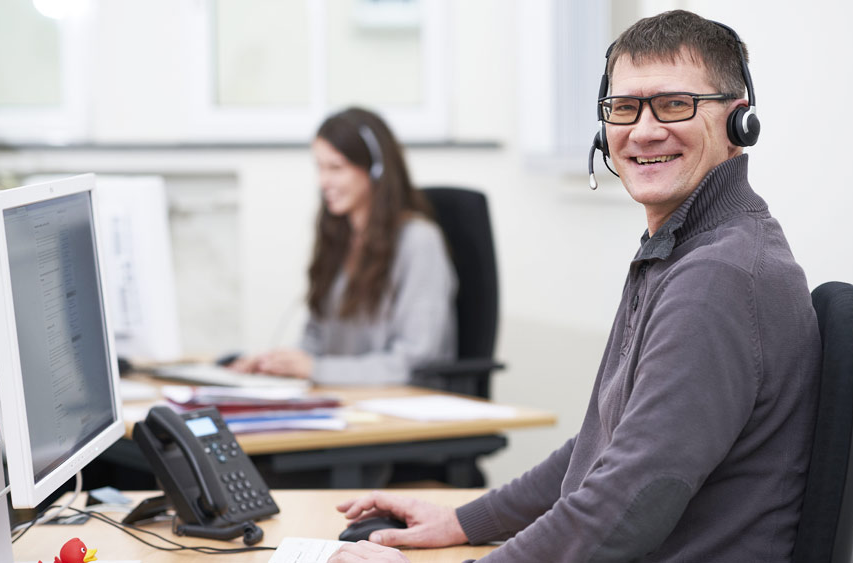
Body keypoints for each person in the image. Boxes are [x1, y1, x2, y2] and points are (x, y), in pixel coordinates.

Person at [328, 10, 820, 563]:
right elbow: (603, 451)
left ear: (738, 121)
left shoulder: (717, 278)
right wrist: (462, 520)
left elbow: (625, 504)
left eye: (676, 104)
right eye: (624, 108)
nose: (643, 130)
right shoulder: (682, 251)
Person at [230, 107, 458, 386]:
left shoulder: (419, 241)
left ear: (376, 170)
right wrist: (279, 364)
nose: (323, 182)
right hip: (345, 401)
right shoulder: (338, 236)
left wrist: (316, 369)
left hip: (403, 405)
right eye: (319, 167)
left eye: (335, 168)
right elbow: (316, 340)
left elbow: (416, 360)